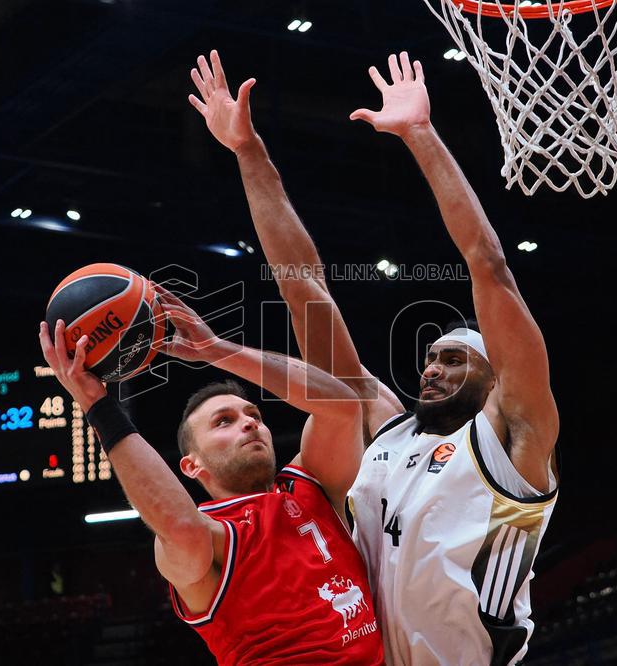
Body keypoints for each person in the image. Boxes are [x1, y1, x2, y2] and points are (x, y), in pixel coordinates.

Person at [189, 49, 559, 665]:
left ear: (498, 378)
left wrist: (421, 136)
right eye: (431, 357)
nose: (432, 368)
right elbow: (303, 284)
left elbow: (488, 267)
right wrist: (250, 155)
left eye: (454, 360)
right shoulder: (385, 427)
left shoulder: (515, 435)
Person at [38, 284, 383, 664]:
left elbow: (342, 405)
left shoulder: (308, 483)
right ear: (191, 465)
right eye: (224, 422)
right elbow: (179, 525)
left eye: (254, 416)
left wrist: (218, 351)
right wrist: (97, 405)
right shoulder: (212, 534)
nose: (250, 425)